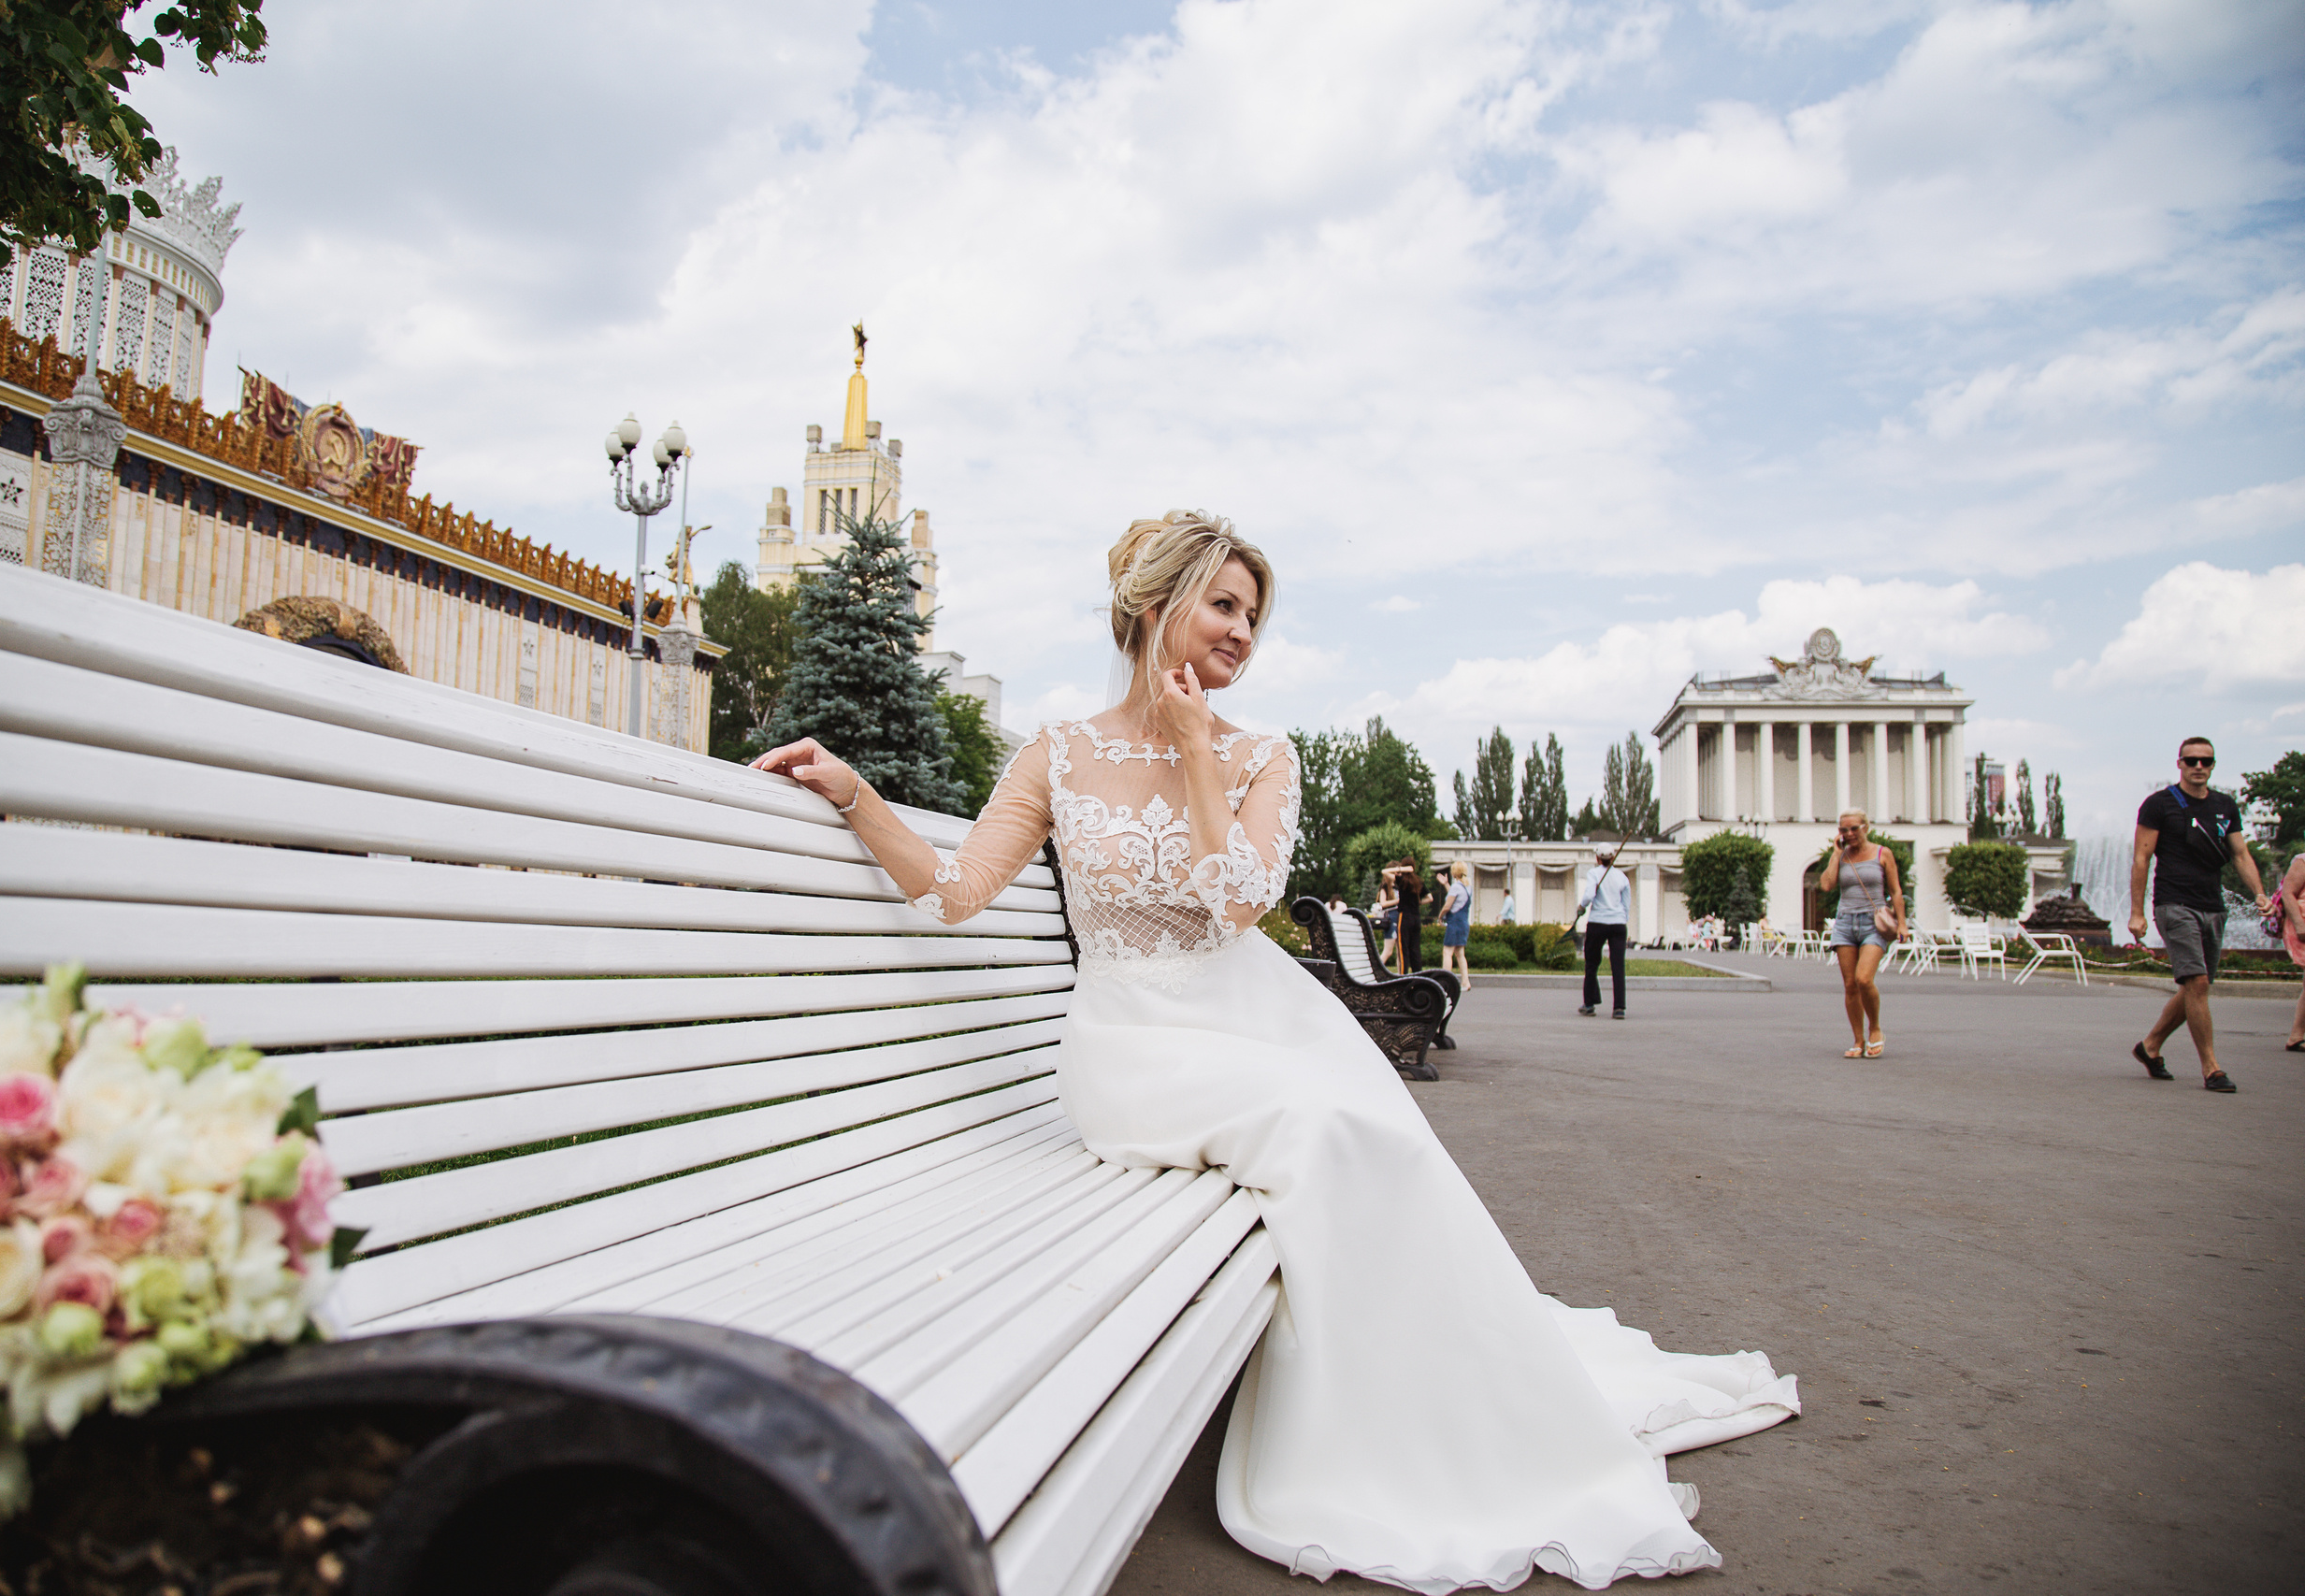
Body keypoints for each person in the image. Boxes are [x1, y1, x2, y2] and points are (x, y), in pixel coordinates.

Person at [751, 510, 1796, 1590]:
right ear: (1155, 607)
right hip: (1130, 1047)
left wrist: (1199, 753)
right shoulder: (1056, 755)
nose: (1244, 632)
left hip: (1259, 1019)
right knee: (1323, 1126)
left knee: (1366, 1130)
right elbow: (959, 892)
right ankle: (1365, 1429)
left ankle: (1431, 1393)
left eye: (1254, 614)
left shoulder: (1259, 756)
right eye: (1224, 605)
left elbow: (1239, 904)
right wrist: (857, 791)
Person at [2129, 736, 2271, 1092]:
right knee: (2197, 983)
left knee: (2196, 985)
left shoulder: (2224, 805)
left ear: (2212, 766)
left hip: (2212, 906)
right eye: (2191, 760)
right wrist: (2136, 912)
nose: (2198, 767)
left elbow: (2239, 854)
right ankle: (2212, 1068)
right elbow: (2141, 858)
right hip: (2174, 904)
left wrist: (2259, 893)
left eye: (2205, 761)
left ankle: (2150, 1046)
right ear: (2179, 763)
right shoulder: (2158, 805)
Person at [1818, 810, 1905, 1058]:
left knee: (1864, 979)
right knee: (1849, 985)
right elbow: (1826, 885)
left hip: (1873, 923)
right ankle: (1858, 1039)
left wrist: (1903, 924)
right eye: (1844, 830)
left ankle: (1875, 1028)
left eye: (1854, 828)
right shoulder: (1842, 856)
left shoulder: (1882, 853)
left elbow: (1896, 891)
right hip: (1845, 923)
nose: (1849, 834)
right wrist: (1835, 855)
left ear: (1866, 827)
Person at [1577, 846, 1632, 1018]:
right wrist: (1622, 918)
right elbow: (1626, 903)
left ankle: (1589, 1003)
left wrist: (1581, 907)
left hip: (1597, 922)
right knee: (1618, 966)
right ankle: (1619, 1008)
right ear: (1613, 857)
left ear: (1597, 858)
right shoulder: (1621, 876)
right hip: (1618, 924)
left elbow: (1589, 895)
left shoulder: (1594, 873)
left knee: (1592, 964)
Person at [2279, 852, 2304, 1053]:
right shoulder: (2303, 861)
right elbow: (2288, 893)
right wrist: (2299, 925)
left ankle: (2296, 1036)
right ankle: (2296, 1036)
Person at [1388, 856, 1426, 974]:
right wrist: (1417, 902)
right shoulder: (1418, 882)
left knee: (1403, 948)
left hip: (1405, 917)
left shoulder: (1402, 880)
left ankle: (1403, 976)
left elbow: (1385, 872)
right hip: (1416, 917)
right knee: (1415, 949)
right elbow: (1430, 898)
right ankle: (1418, 974)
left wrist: (1401, 869)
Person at [1436, 860, 1474, 984]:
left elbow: (1448, 906)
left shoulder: (1456, 887)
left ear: (1453, 872)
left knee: (1447, 952)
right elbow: (1457, 898)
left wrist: (1440, 916)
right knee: (1460, 953)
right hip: (1463, 923)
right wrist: (1446, 884)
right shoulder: (1468, 887)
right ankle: (1465, 981)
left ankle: (1445, 981)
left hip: (1454, 924)